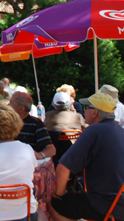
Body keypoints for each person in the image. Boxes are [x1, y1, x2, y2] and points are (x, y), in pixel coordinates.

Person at [48, 93, 124, 221]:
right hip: (119, 201)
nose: (84, 112)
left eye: (86, 108)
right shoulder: (121, 131)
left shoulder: (94, 131)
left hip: (105, 205)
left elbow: (63, 168)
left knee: (53, 203)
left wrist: (58, 194)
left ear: (94, 113)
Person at [10, 91, 56, 159]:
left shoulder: (36, 124)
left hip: (28, 164)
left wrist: (40, 155)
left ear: (21, 108)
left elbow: (52, 150)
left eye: (11, 102)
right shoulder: (8, 123)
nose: (8, 105)